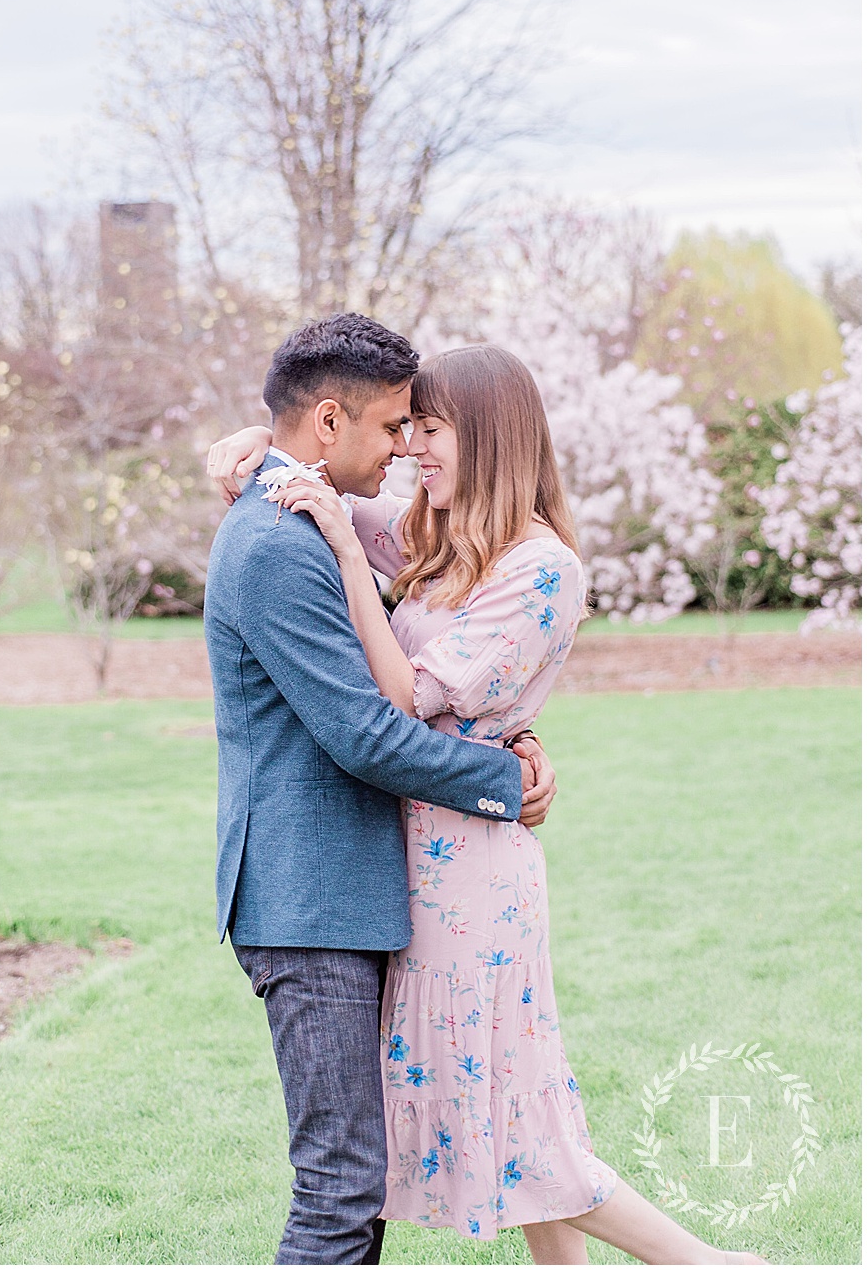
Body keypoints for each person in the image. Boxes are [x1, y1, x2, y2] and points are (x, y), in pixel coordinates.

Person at [208, 337, 764, 1267]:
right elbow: (328, 473)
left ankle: (707, 1263)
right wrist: (247, 449)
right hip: (408, 860)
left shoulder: (536, 568)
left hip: (468, 869)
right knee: (504, 1108)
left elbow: (405, 700)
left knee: (520, 1114)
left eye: (427, 428)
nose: (410, 449)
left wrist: (505, 766)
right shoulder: (439, 538)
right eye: (405, 426)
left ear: (492, 439)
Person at [203, 314, 552, 1265]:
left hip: (336, 899)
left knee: (355, 1186)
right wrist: (503, 779)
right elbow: (365, 734)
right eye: (393, 426)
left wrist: (512, 731)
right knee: (339, 1190)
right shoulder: (279, 542)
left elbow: (443, 601)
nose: (403, 448)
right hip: (307, 901)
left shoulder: (302, 512)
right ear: (327, 423)